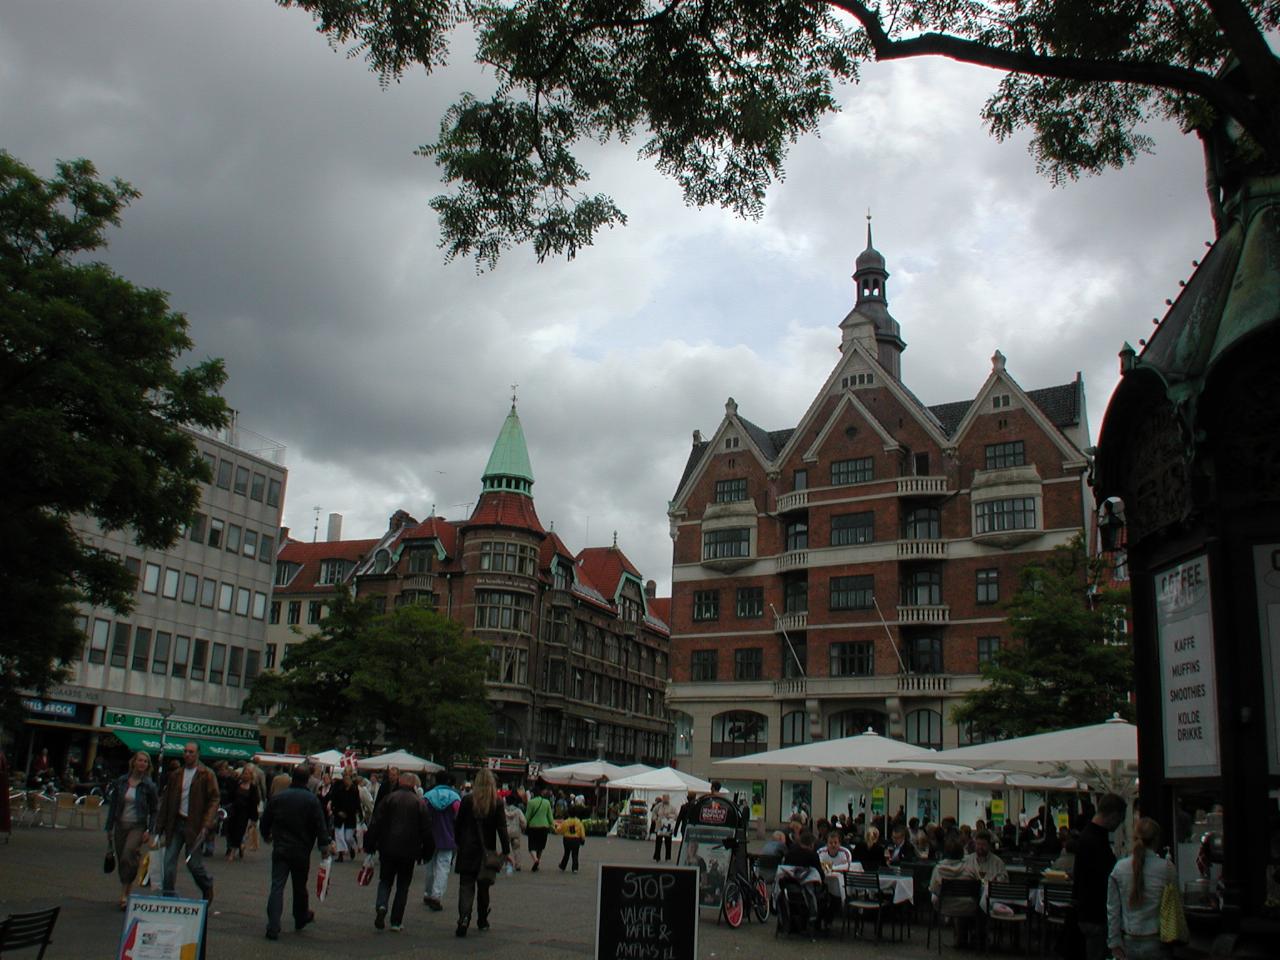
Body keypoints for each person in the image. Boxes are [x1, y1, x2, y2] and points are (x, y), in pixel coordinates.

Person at [260, 767, 333, 941]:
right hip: (301, 849)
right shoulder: (312, 800)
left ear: (293, 778)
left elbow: (265, 820)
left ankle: (273, 926)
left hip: (281, 847)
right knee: (300, 886)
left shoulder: (278, 797)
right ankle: (300, 917)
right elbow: (320, 825)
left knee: (277, 886)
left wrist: (267, 835)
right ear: (307, 779)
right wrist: (324, 846)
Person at [367, 770, 433, 932]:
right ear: (413, 785)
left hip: (387, 847)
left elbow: (376, 822)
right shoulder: (419, 803)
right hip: (409, 850)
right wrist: (427, 853)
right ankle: (396, 921)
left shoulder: (389, 799)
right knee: (403, 885)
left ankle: (382, 905)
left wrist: (370, 844)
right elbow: (427, 831)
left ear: (400, 782)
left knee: (385, 881)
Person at [156, 742, 220, 901]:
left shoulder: (206, 774)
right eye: (185, 751)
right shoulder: (176, 775)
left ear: (198, 753)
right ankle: (168, 895)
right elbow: (167, 801)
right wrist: (159, 826)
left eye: (191, 752)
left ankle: (206, 885)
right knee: (168, 861)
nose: (187, 754)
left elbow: (214, 798)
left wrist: (207, 823)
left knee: (193, 864)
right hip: (176, 822)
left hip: (195, 824)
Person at [1107, 817, 1177, 960]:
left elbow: (1112, 909)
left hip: (1129, 940)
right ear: (1156, 840)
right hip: (1158, 940)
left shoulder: (1119, 868)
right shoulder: (1167, 868)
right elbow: (1175, 905)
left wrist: (1114, 941)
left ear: (1134, 838)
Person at [454, 768, 511, 937]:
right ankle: (482, 920)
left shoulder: (467, 800)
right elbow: (502, 828)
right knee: (484, 887)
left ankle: (464, 918)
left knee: (466, 885)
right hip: (487, 851)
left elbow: (458, 825)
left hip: (468, 849)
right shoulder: (497, 802)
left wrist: (459, 843)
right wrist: (506, 851)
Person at [1074, 793, 1127, 960]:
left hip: (1088, 912)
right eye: (1120, 820)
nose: (1119, 825)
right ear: (1114, 815)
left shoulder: (1088, 836)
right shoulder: (1095, 840)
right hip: (1096, 914)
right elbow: (1105, 877)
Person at [105, 750, 159, 909]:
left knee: (128, 854)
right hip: (120, 824)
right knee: (123, 857)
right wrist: (109, 827)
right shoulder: (122, 781)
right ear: (133, 762)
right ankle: (125, 887)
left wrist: (150, 829)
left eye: (145, 762)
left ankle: (125, 894)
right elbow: (113, 805)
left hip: (138, 825)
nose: (142, 764)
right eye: (140, 760)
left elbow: (155, 809)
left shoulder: (149, 785)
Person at [422, 772, 461, 910]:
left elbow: (422, 815)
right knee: (443, 868)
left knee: (429, 867)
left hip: (430, 837)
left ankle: (427, 892)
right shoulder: (455, 798)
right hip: (449, 837)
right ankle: (436, 896)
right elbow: (459, 818)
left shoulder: (427, 797)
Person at [224, 766, 260, 861]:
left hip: (244, 814)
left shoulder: (253, 788)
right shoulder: (237, 784)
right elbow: (230, 796)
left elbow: (254, 803)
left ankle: (232, 853)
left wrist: (254, 819)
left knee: (239, 832)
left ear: (251, 776)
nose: (245, 776)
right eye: (244, 773)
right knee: (230, 830)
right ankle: (240, 845)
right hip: (234, 811)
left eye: (247, 774)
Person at [328, 769, 360, 862]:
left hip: (350, 817)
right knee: (339, 836)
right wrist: (337, 811)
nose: (346, 780)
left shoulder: (354, 789)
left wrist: (352, 813)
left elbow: (356, 803)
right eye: (345, 776)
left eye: (348, 777)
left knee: (348, 837)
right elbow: (334, 801)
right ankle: (340, 854)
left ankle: (351, 848)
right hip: (339, 815)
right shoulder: (338, 787)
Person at [524, 786, 554, 872]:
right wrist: (552, 825)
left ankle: (535, 860)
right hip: (544, 827)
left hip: (533, 827)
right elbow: (550, 817)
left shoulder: (531, 803)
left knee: (532, 845)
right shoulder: (547, 802)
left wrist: (524, 825)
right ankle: (538, 861)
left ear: (533, 794)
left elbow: (527, 816)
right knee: (540, 846)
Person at [558, 807, 587, 872]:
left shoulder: (566, 822)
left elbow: (561, 830)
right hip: (576, 839)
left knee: (566, 853)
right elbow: (582, 832)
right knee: (575, 854)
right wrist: (583, 838)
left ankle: (563, 866)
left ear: (568, 813)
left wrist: (556, 829)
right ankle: (575, 868)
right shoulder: (578, 822)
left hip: (567, 839)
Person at [650, 794, 676, 862]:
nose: (665, 799)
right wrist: (655, 818)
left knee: (668, 842)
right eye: (664, 798)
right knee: (658, 842)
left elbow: (676, 815)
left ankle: (668, 857)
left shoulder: (672, 807)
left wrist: (669, 816)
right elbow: (654, 812)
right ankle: (657, 856)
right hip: (659, 825)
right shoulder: (658, 806)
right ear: (663, 798)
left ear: (669, 799)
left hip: (668, 827)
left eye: (667, 798)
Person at [504, 797, 526, 870]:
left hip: (506, 832)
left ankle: (509, 865)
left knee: (506, 849)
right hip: (516, 832)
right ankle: (518, 865)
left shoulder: (503, 811)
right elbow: (523, 821)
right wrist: (523, 828)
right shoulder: (518, 811)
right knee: (516, 849)